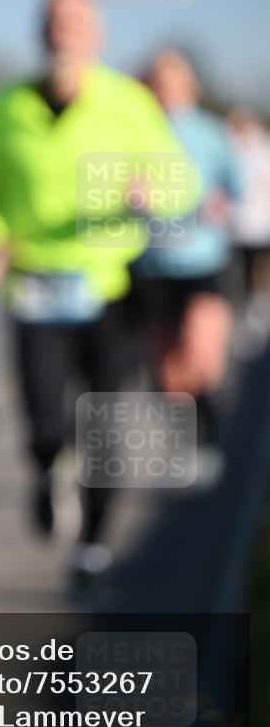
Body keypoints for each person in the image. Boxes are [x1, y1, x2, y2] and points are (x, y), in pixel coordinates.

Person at [0, 0, 198, 579]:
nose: (62, 30)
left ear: (98, 35)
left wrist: (153, 193)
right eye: (52, 20)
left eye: (75, 21)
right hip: (34, 284)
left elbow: (182, 184)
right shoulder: (4, 107)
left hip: (109, 286)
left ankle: (93, 543)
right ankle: (46, 468)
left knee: (102, 422)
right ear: (40, 32)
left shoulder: (128, 103)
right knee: (44, 421)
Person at [132, 50, 242, 464]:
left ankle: (209, 438)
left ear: (190, 86)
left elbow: (236, 186)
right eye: (158, 83)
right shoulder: (134, 132)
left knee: (201, 357)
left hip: (202, 260)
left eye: (175, 83)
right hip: (152, 264)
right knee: (170, 376)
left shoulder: (210, 133)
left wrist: (221, 204)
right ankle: (189, 438)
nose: (167, 92)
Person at [227, 106, 270, 299]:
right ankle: (244, 297)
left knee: (258, 263)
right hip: (235, 222)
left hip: (259, 220)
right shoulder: (229, 146)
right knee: (240, 266)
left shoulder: (263, 149)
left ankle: (256, 297)